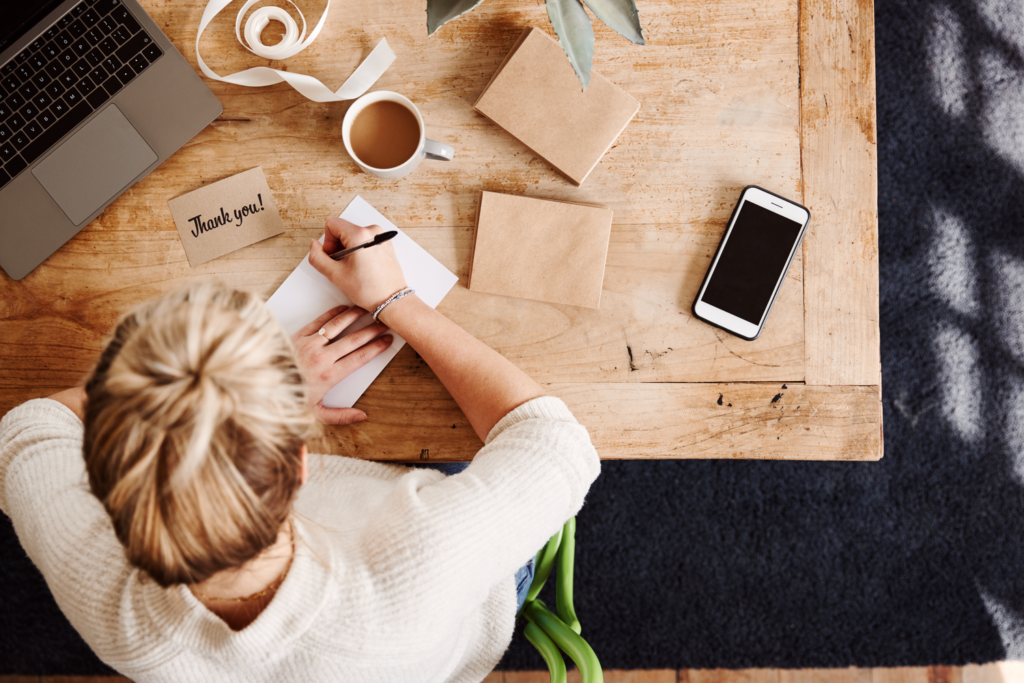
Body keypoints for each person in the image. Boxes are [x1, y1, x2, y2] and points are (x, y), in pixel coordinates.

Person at [0, 217, 601, 682]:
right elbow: (558, 443)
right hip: (453, 610)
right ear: (297, 464)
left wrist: (235, 398)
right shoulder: (419, 562)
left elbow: (25, 430)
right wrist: (395, 299)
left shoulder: (98, 583)